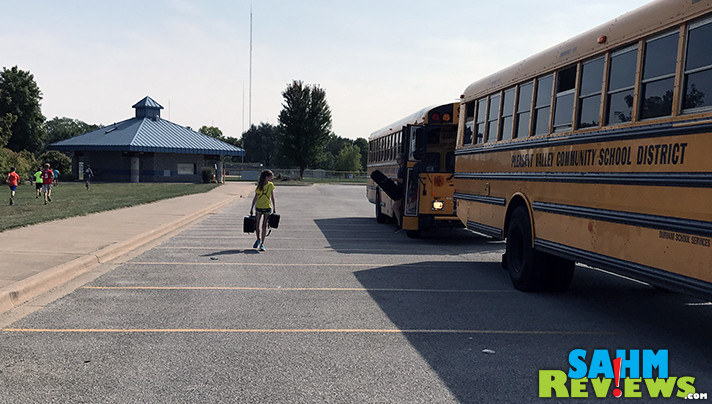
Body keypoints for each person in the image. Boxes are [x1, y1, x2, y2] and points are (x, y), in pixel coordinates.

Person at [249, 170, 276, 251]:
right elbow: (255, 197)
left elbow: (272, 197)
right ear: (266, 177)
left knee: (264, 225)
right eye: (271, 176)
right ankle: (258, 239)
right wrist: (251, 208)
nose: (272, 178)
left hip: (267, 207)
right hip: (259, 207)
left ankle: (262, 244)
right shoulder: (259, 186)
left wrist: (274, 207)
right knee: (257, 225)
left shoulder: (270, 185)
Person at [391, 153, 406, 232]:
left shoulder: (404, 169)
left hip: (404, 191)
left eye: (399, 159)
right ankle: (400, 223)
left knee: (395, 207)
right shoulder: (401, 168)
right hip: (400, 190)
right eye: (396, 159)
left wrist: (395, 179)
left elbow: (405, 180)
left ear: (403, 159)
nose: (397, 161)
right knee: (396, 207)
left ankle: (400, 224)